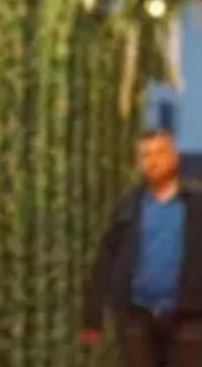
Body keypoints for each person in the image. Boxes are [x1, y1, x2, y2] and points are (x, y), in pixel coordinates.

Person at [80, 128, 202, 367]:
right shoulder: (127, 206)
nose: (153, 161)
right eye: (146, 155)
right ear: (139, 162)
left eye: (160, 152)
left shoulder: (197, 205)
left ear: (174, 157)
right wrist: (92, 315)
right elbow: (106, 258)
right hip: (136, 316)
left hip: (189, 318)